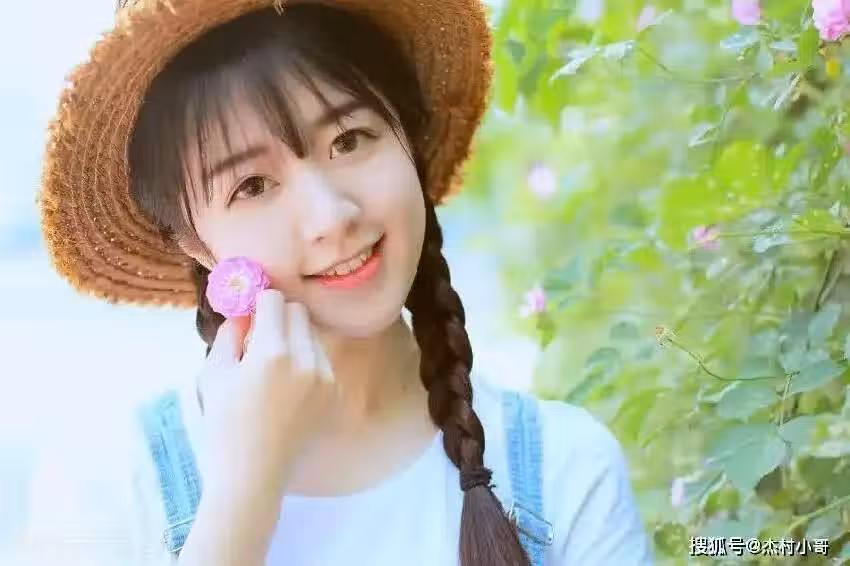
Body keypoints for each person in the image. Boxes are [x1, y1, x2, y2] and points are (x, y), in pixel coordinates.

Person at [26, 1, 655, 565]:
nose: (331, 216)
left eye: (349, 140)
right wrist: (249, 485)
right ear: (192, 242)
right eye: (252, 185)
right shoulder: (107, 489)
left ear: (409, 139)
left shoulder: (563, 472)